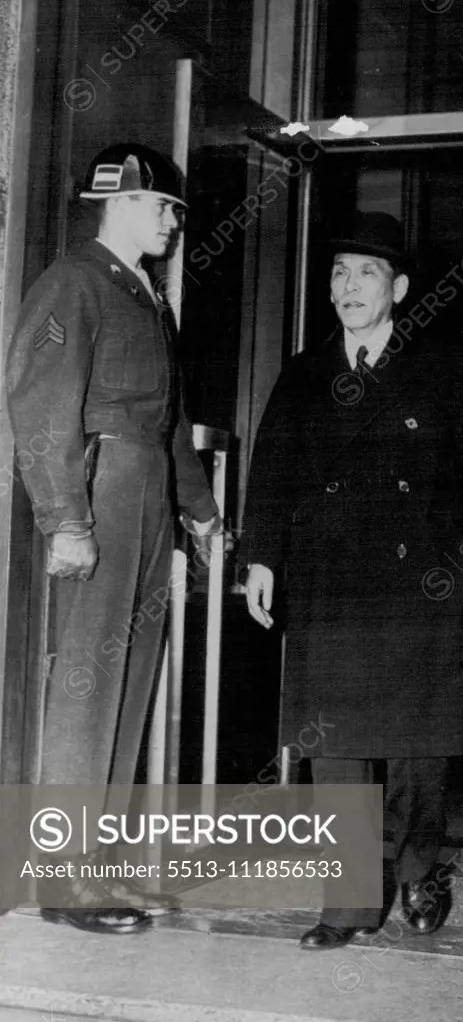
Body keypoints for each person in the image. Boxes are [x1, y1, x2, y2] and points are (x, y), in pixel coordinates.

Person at [240, 211, 463, 951]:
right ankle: (349, 902)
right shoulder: (304, 372)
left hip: (424, 578)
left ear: (397, 286)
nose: (348, 286)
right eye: (337, 273)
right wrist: (260, 559)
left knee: (419, 749)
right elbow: (271, 474)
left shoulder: (445, 366)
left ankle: (419, 870)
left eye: (365, 273)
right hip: (331, 584)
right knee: (337, 752)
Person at [6, 143, 221, 934]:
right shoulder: (76, 282)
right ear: (121, 203)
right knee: (87, 691)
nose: (171, 221)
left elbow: (169, 422)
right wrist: (65, 519)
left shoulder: (146, 298)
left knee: (130, 686)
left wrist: (198, 510)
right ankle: (63, 881)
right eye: (164, 207)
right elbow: (41, 405)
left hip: (149, 497)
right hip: (101, 493)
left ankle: (99, 872)